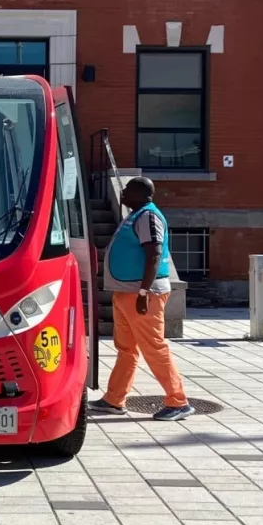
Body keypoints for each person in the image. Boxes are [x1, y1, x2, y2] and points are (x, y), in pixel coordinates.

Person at [89, 177, 194, 422]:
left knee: (154, 347)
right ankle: (114, 400)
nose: (122, 192)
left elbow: (155, 253)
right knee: (126, 348)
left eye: (127, 190)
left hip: (142, 294)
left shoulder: (148, 216)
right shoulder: (136, 215)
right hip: (126, 293)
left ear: (140, 193)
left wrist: (144, 292)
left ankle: (178, 402)